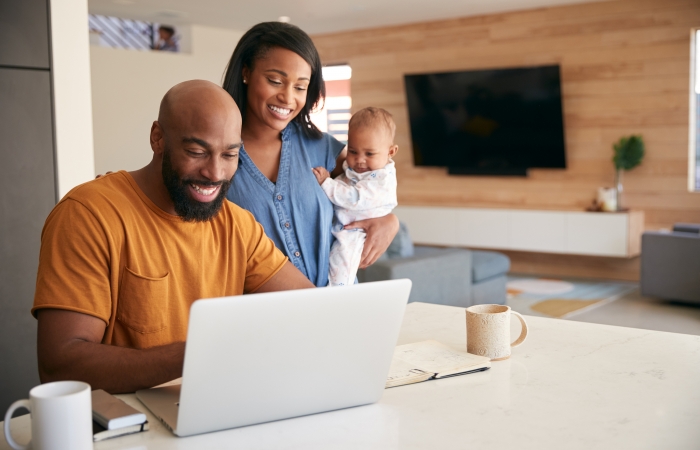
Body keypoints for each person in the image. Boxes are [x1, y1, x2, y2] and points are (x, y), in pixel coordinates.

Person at [32, 80, 314, 394]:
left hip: (213, 409)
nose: (215, 173)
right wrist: (200, 353)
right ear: (158, 139)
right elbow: (60, 366)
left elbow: (312, 309)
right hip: (127, 428)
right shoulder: (89, 214)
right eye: (197, 152)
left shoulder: (237, 224)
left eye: (229, 155)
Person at [222, 22, 399, 287]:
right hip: (258, 316)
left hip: (332, 309)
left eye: (300, 87)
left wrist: (390, 221)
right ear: (246, 72)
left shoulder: (322, 148)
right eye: (275, 81)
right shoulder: (217, 156)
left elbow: (373, 187)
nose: (287, 97)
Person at [312, 107, 398, 286]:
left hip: (356, 233)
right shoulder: (362, 169)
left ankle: (337, 295)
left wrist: (326, 183)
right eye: (353, 151)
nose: (359, 160)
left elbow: (354, 198)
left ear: (391, 152)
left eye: (369, 154)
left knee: (340, 268)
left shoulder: (382, 180)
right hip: (344, 226)